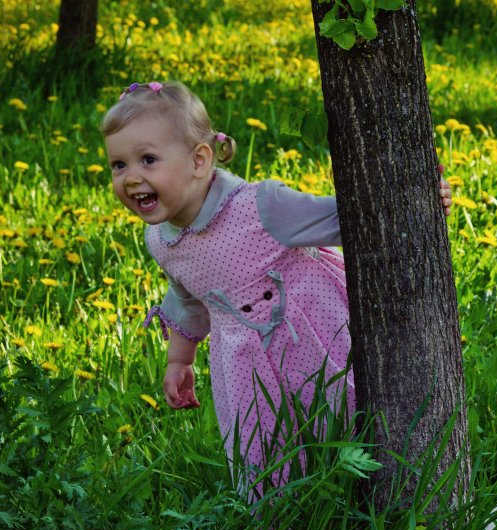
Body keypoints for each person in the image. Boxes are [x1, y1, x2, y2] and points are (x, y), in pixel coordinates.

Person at [101, 81, 452, 496]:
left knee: (346, 422)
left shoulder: (260, 207)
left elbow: (348, 217)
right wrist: (180, 360)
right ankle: (279, 527)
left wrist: (416, 201)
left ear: (199, 160)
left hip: (312, 338)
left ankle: (373, 497)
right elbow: (187, 296)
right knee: (261, 448)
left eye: (147, 160)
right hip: (245, 365)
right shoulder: (161, 238)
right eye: (118, 165)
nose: (131, 177)